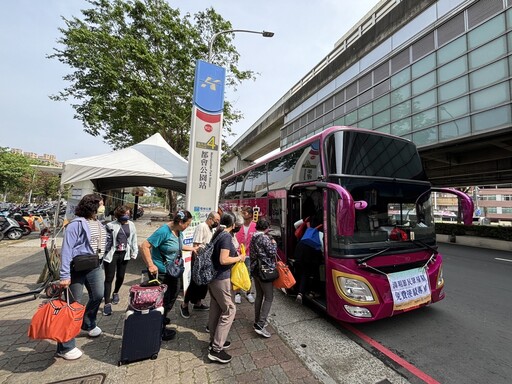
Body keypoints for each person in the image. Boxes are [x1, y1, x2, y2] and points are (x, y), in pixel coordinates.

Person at [56, 194, 106, 360]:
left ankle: (88, 322)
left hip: (95, 265)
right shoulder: (75, 225)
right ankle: (65, 346)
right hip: (76, 268)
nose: (103, 207)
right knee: (72, 306)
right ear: (92, 205)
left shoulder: (98, 223)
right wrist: (64, 275)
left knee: (98, 295)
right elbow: (66, 250)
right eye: (101, 204)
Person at [140, 210, 199, 341]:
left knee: (173, 295)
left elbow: (177, 246)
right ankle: (158, 329)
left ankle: (162, 316)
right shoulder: (163, 231)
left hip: (173, 271)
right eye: (187, 224)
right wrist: (150, 265)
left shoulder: (179, 231)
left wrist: (192, 249)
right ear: (180, 222)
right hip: (161, 273)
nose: (188, 226)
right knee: (163, 299)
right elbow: (144, 246)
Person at [207, 212, 247, 364]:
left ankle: (214, 340)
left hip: (213, 278)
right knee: (230, 310)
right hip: (221, 278)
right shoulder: (225, 237)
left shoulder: (218, 232)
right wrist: (239, 258)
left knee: (216, 307)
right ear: (233, 224)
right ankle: (216, 349)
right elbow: (223, 260)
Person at [179, 211, 220, 319]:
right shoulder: (202, 227)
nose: (217, 223)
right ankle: (184, 305)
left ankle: (198, 303)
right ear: (210, 218)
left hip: (206, 260)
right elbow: (196, 245)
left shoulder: (211, 229)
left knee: (203, 284)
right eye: (216, 220)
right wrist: (199, 261)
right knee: (194, 283)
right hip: (199, 260)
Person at [102, 205, 138, 316]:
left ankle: (116, 292)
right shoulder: (110, 225)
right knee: (109, 278)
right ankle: (107, 303)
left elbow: (133, 239)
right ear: (118, 215)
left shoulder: (131, 225)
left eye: (128, 213)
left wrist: (135, 251)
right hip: (112, 254)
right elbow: (105, 241)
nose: (127, 215)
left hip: (124, 254)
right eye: (124, 214)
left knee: (121, 276)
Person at [249, 218, 277, 338]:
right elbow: (272, 253)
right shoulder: (265, 238)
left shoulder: (254, 237)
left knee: (259, 296)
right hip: (265, 271)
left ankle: (256, 321)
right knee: (269, 297)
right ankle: (260, 325)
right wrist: (274, 244)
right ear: (266, 228)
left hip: (255, 270)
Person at [234, 206, 256, 304]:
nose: (243, 214)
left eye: (245, 213)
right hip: (238, 253)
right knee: (238, 273)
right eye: (242, 212)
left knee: (249, 274)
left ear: (251, 215)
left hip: (249, 254)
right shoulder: (238, 225)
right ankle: (237, 293)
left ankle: (248, 292)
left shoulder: (254, 226)